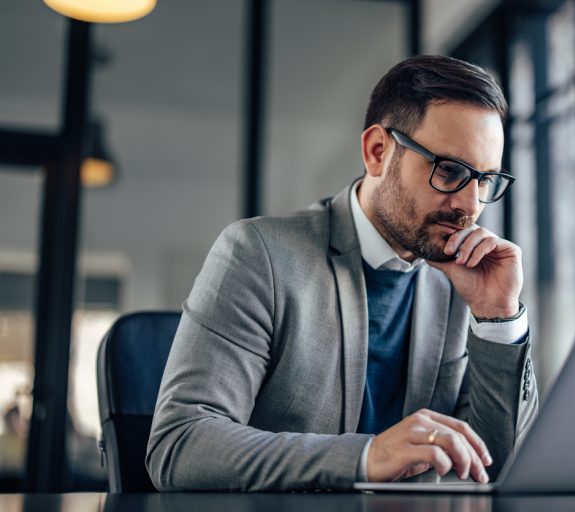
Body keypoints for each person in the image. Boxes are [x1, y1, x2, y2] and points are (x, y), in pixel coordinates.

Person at [146, 55, 538, 492]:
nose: (469, 205)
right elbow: (181, 446)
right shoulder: (261, 254)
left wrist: (497, 317)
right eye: (449, 171)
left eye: (484, 180)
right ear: (378, 152)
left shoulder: (460, 282)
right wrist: (367, 457)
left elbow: (497, 466)